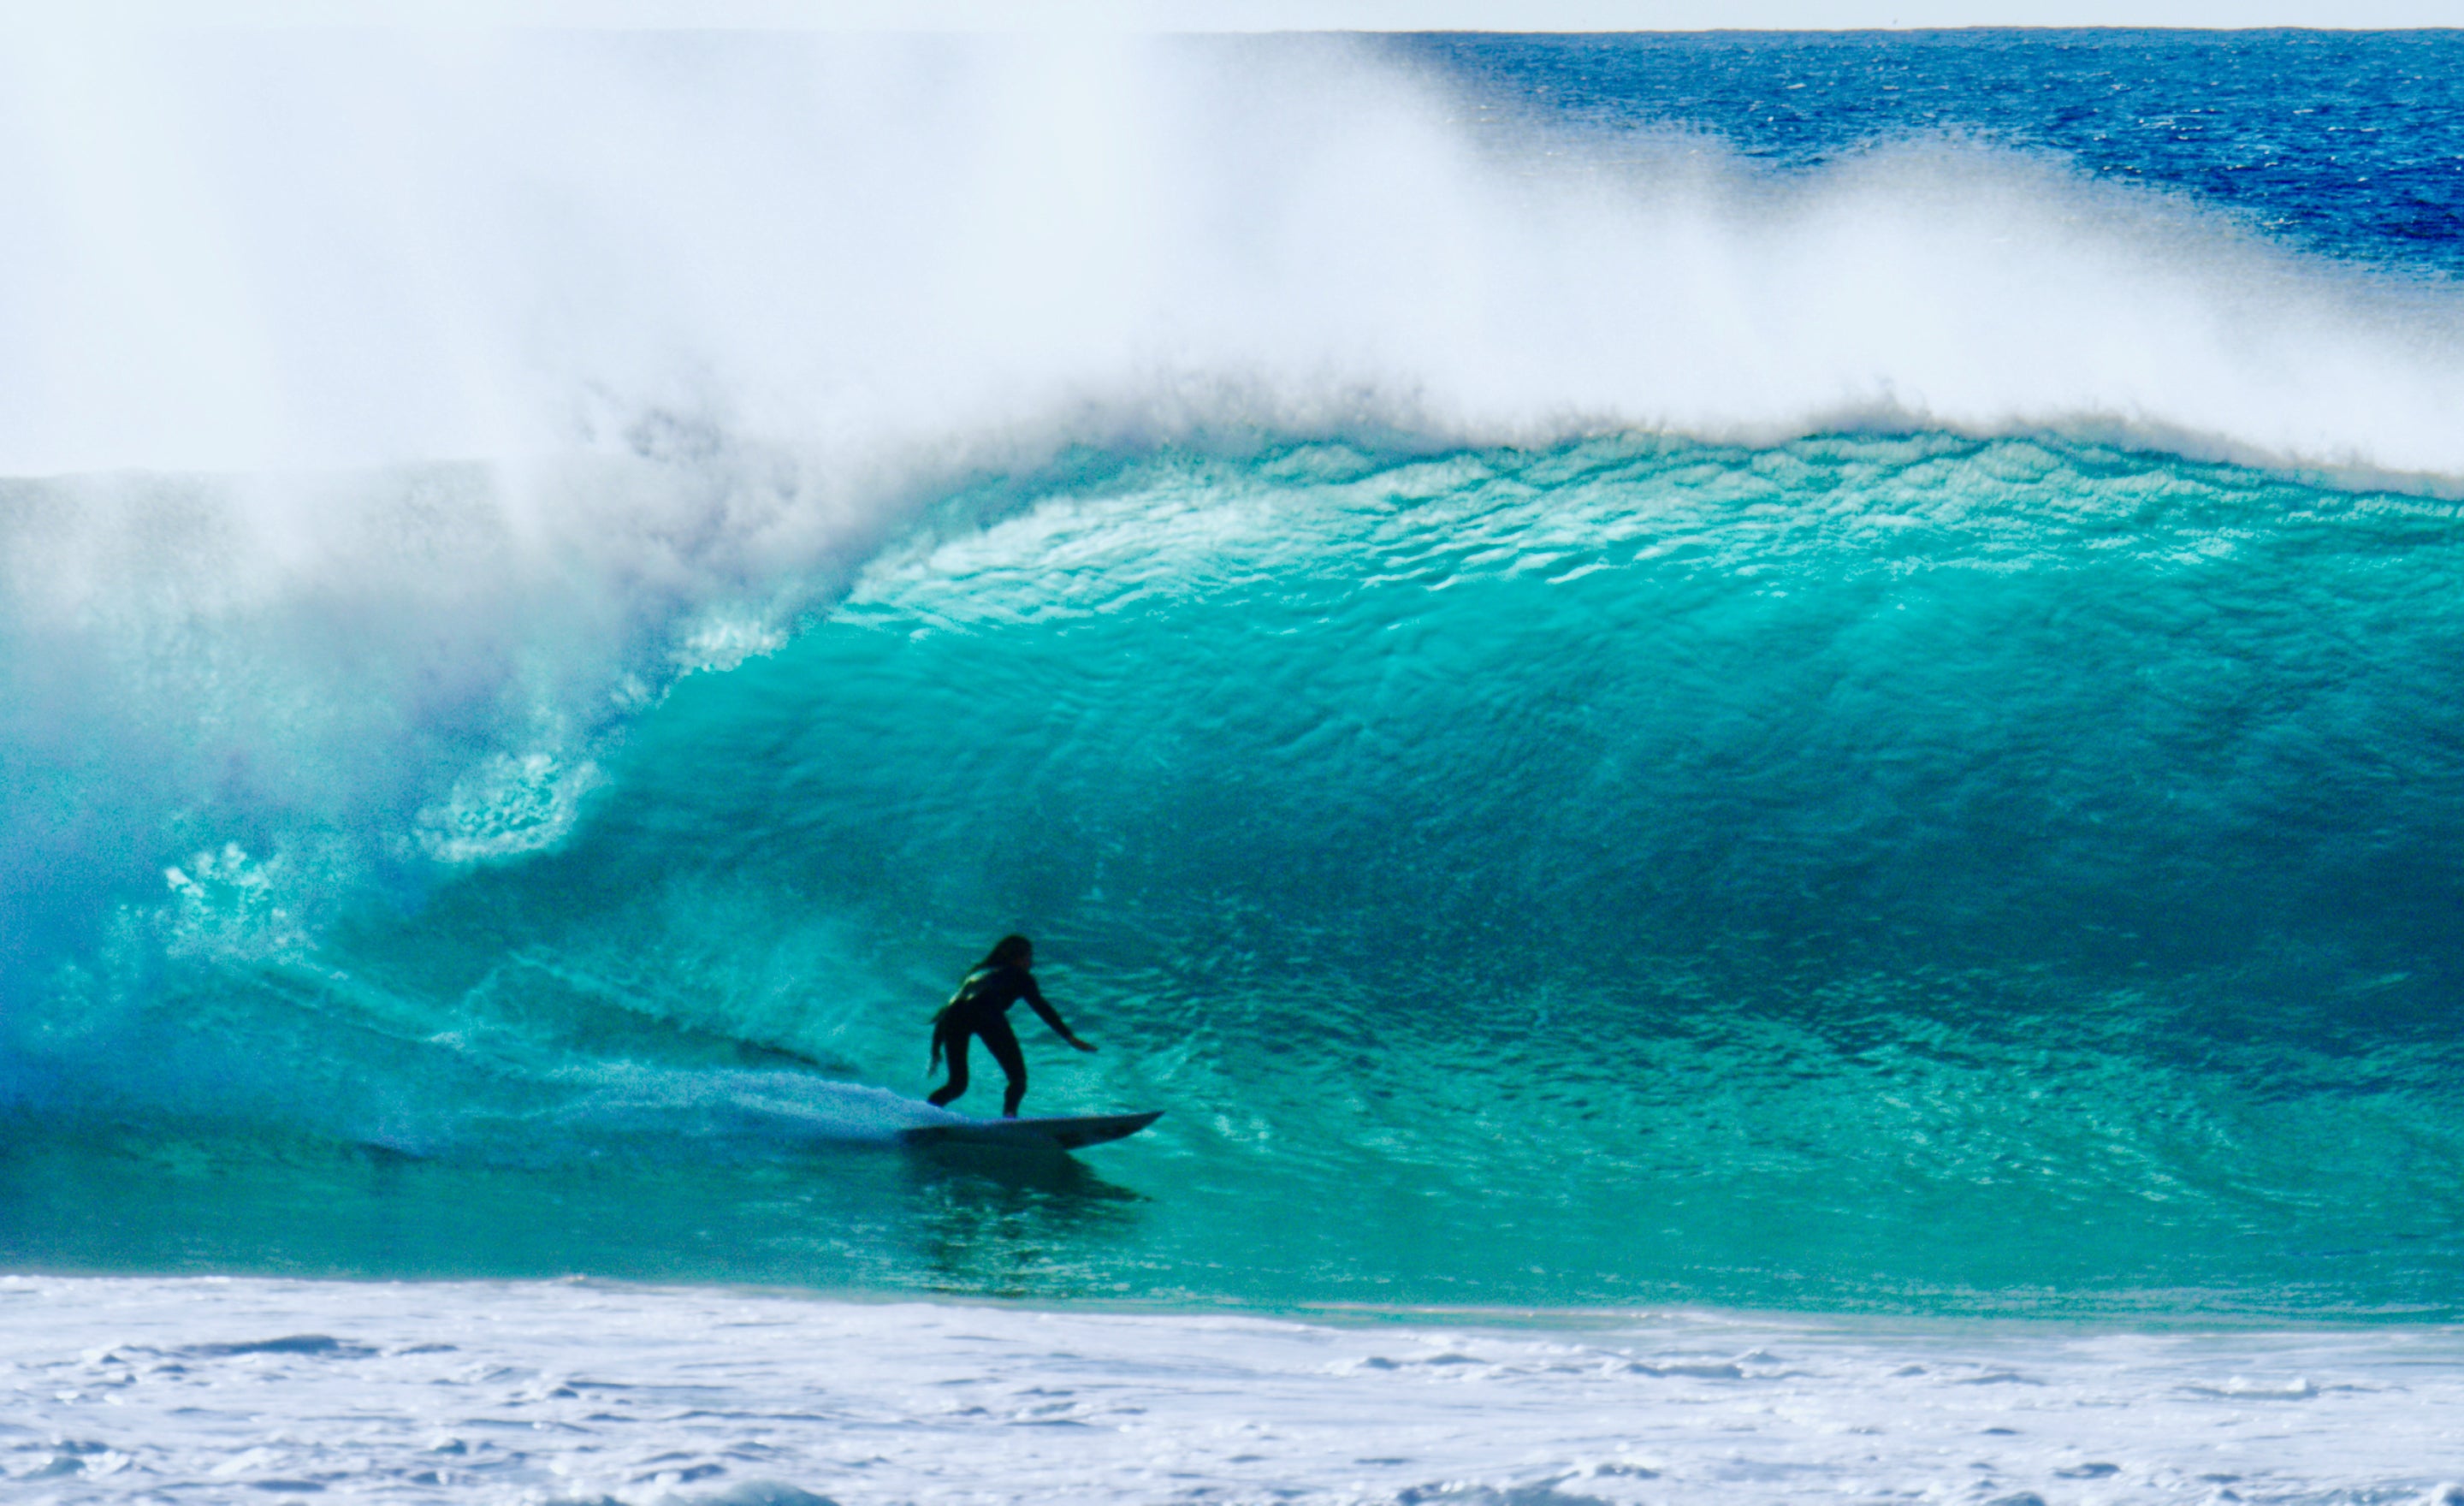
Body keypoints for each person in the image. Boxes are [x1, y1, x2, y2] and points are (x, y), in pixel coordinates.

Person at [927, 934, 1095, 1118]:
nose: (1031, 962)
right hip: (986, 1013)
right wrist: (1068, 1036)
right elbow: (1040, 1006)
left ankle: (924, 1115)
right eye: (1029, 957)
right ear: (1018, 958)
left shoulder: (976, 973)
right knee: (1018, 1079)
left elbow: (950, 1009)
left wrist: (936, 1048)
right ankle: (1009, 1117)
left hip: (954, 1018)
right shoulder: (1020, 976)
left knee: (957, 1085)